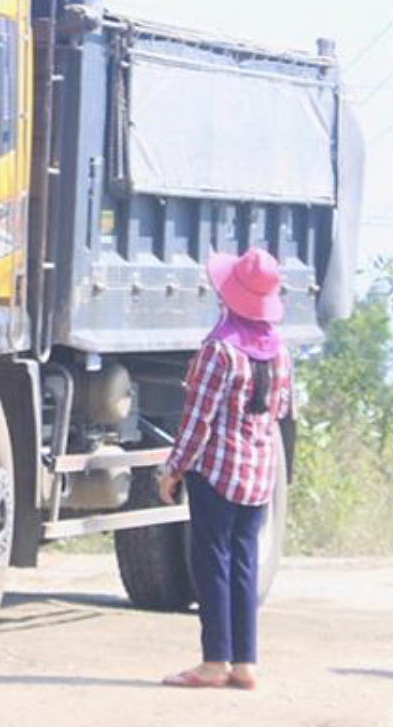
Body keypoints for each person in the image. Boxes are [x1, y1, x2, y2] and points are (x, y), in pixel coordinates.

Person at [157, 247, 292, 690]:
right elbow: (280, 409)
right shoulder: (279, 354)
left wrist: (173, 470)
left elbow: (198, 421)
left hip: (217, 473)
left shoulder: (220, 352)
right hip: (258, 474)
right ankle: (245, 663)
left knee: (210, 561)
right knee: (244, 563)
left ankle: (214, 662)